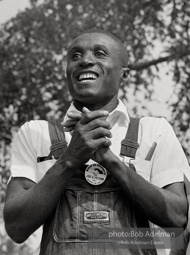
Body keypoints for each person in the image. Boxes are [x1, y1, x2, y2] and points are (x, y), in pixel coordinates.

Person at [3, 29, 190, 255]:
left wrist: (110, 160)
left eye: (100, 53)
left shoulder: (154, 131)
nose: (86, 61)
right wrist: (70, 159)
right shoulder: (35, 133)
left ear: (125, 74)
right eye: (75, 56)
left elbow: (177, 219)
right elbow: (16, 228)